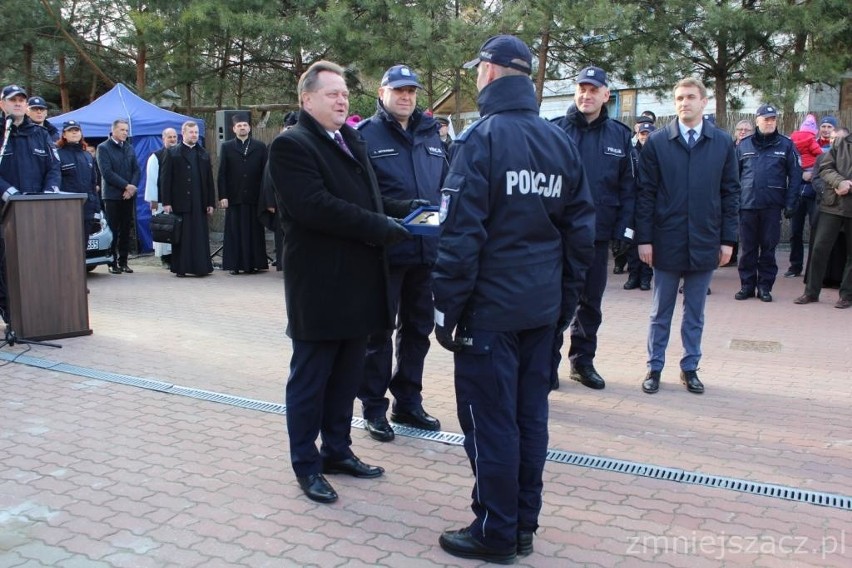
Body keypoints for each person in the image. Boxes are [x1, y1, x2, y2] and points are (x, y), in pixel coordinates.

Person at [433, 35, 595, 564]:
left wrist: (445, 312)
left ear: (492, 73)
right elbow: (580, 237)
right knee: (529, 420)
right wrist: (563, 306)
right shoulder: (559, 142)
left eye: (479, 69)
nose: (477, 76)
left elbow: (461, 237)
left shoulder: (480, 140)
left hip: (491, 314)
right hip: (540, 309)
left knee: (490, 423)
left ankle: (496, 531)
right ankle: (522, 524)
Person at [266, 60, 417, 505]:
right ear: (306, 99)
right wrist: (381, 226)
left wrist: (405, 208)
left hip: (357, 283)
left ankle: (337, 451)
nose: (342, 99)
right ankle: (306, 465)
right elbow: (316, 207)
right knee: (311, 379)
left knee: (347, 375)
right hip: (320, 287)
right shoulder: (292, 146)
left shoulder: (349, 138)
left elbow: (367, 199)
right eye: (332, 93)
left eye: (345, 93)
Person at [355, 64, 447, 442]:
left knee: (419, 330)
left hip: (427, 253)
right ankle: (374, 407)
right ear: (382, 93)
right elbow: (361, 196)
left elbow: (447, 188)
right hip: (385, 252)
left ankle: (408, 400)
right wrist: (403, 207)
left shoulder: (433, 135)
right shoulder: (364, 136)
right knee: (378, 333)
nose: (406, 97)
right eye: (398, 91)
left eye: (411, 91)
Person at [636, 77, 740, 395]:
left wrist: (728, 240)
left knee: (695, 312)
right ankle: (654, 368)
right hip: (666, 240)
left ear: (704, 102)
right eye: (679, 97)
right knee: (660, 311)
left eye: (691, 97)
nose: (685, 103)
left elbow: (730, 193)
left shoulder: (721, 143)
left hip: (706, 240)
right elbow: (645, 194)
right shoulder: (657, 143)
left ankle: (690, 367)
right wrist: (644, 239)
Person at [551, 65, 635, 391]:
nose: (586, 95)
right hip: (557, 236)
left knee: (590, 303)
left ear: (605, 95)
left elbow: (629, 188)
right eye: (581, 89)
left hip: (597, 236)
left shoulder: (619, 135)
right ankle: (546, 364)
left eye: (593, 90)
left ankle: (582, 363)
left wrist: (625, 232)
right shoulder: (555, 130)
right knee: (555, 302)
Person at [0, 84, 61, 323]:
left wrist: (48, 193)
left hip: (36, 212)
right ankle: (11, 312)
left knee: (37, 262)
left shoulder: (40, 134)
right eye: (12, 100)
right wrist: (10, 193)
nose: (17, 103)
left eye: (21, 100)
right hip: (6, 211)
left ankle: (37, 311)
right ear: (2, 104)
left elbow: (53, 167)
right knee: (7, 265)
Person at [734, 104, 801, 302]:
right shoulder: (743, 145)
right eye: (766, 119)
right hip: (747, 205)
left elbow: (795, 176)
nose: (770, 122)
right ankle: (747, 286)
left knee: (769, 248)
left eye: (773, 119)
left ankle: (764, 287)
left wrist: (791, 203)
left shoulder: (786, 145)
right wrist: (733, 203)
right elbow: (733, 177)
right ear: (757, 120)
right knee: (747, 249)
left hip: (772, 206)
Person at [795, 127, 852, 309]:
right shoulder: (843, 144)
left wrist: (849, 185)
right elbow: (825, 167)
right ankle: (811, 292)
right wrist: (839, 182)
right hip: (832, 205)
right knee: (819, 249)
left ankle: (847, 295)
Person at [160, 121, 215, 277]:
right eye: (191, 132)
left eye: (196, 132)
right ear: (183, 134)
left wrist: (211, 202)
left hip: (199, 202)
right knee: (182, 237)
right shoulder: (172, 153)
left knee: (199, 235)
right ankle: (181, 267)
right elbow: (165, 179)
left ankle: (201, 267)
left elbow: (209, 180)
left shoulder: (203, 153)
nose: (194, 135)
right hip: (180, 201)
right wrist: (167, 202)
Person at [217, 113, 269, 275]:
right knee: (235, 231)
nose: (242, 128)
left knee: (254, 231)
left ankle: (254, 264)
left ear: (249, 128)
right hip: (234, 196)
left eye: (245, 125)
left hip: (255, 197)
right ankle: (235, 265)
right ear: (234, 129)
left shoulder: (260, 146)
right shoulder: (227, 147)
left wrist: (266, 196)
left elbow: (266, 173)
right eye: (239, 126)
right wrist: (223, 196)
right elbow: (222, 173)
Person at [96, 119, 140, 274]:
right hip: (112, 196)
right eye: (122, 130)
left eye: (126, 130)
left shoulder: (129, 147)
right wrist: (125, 186)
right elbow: (107, 173)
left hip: (128, 196)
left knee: (126, 230)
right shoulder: (103, 148)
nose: (125, 133)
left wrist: (132, 188)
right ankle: (112, 261)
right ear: (113, 130)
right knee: (113, 230)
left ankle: (124, 261)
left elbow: (136, 169)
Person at [786, 114, 825, 278]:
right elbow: (790, 162)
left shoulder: (834, 148)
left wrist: (813, 174)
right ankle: (795, 266)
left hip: (816, 193)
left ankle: (813, 270)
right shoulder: (812, 142)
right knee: (795, 231)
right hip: (798, 191)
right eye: (824, 126)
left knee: (816, 232)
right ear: (817, 130)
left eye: (830, 127)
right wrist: (802, 173)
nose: (827, 130)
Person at [56, 120, 101, 242]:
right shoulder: (57, 155)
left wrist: (96, 209)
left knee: (83, 246)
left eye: (77, 130)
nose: (74, 133)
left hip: (87, 209)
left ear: (81, 133)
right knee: (69, 245)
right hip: (67, 209)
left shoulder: (87, 156)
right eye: (70, 131)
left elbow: (93, 184)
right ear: (64, 135)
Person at [624, 122, 655, 291]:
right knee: (632, 242)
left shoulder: (658, 153)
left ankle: (645, 277)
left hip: (651, 204)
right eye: (642, 134)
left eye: (648, 134)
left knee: (648, 242)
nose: (645, 137)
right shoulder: (632, 152)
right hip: (633, 203)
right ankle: (633, 275)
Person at [144, 127, 179, 267]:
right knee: (164, 228)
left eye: (174, 137)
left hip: (177, 200)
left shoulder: (179, 154)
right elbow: (152, 179)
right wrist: (153, 200)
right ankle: (165, 259)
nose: (172, 140)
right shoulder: (156, 157)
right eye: (169, 137)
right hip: (161, 200)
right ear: (163, 139)